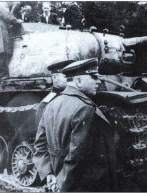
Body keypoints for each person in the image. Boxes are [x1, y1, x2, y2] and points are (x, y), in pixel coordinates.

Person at [33, 58, 117, 192]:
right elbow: (76, 156)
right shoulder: (84, 108)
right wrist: (61, 183)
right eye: (93, 77)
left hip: (60, 179)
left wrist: (48, 173)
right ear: (78, 81)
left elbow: (39, 146)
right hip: (83, 184)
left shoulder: (50, 105)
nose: (99, 81)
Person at [0, 2, 23, 81]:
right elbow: (7, 15)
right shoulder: (0, 4)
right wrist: (17, 21)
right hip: (1, 28)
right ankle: (0, 75)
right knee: (2, 51)